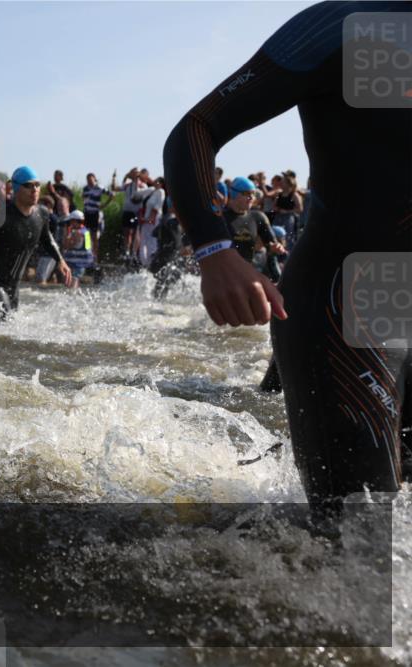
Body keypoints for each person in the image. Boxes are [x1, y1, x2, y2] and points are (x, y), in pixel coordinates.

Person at [163, 0, 410, 512]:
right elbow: (197, 128)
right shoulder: (345, 28)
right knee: (356, 539)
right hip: (349, 306)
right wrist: (216, 251)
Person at [0, 166, 71, 320]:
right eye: (28, 185)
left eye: (37, 185)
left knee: (7, 327)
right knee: (5, 322)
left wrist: (60, 260)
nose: (35, 189)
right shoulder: (2, 216)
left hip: (14, 286)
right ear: (16, 188)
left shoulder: (42, 214)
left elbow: (47, 239)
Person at [81, 173, 113, 263]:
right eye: (87, 179)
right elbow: (83, 196)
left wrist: (104, 205)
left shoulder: (99, 187)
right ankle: (88, 254)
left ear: (94, 179)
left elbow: (111, 194)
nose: (89, 181)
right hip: (87, 213)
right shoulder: (85, 188)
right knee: (87, 234)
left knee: (94, 236)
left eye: (91, 179)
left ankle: (95, 257)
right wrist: (85, 203)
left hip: (95, 213)